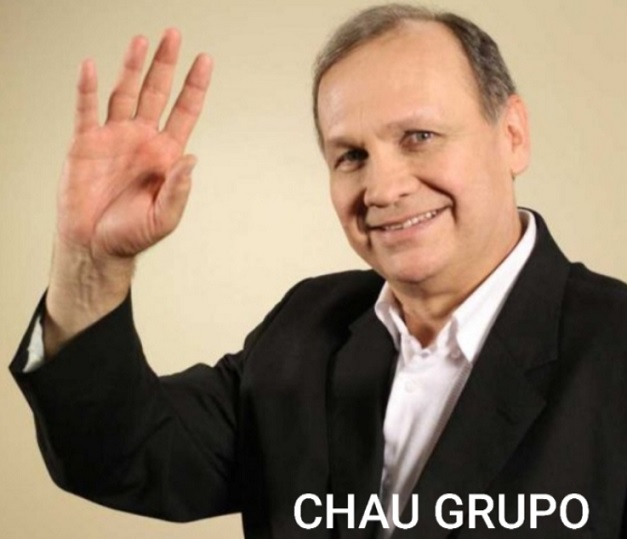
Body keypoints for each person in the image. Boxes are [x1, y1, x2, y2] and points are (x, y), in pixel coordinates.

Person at [10, 3, 627, 538]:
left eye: (419, 136)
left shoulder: (614, 345)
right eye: (351, 155)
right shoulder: (308, 325)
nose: (381, 188)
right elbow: (124, 454)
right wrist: (91, 263)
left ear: (512, 134)